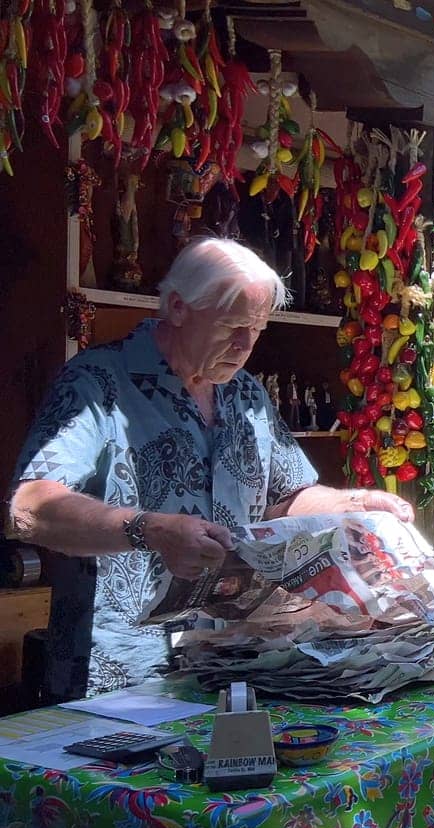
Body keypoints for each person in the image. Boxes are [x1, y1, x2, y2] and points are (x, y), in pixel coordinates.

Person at [6, 238, 413, 701]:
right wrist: (149, 530)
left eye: (257, 329)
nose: (244, 345)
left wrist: (355, 504)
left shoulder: (245, 395)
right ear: (178, 307)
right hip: (119, 673)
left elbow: (286, 497)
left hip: (234, 661)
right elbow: (29, 507)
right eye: (233, 326)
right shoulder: (98, 382)